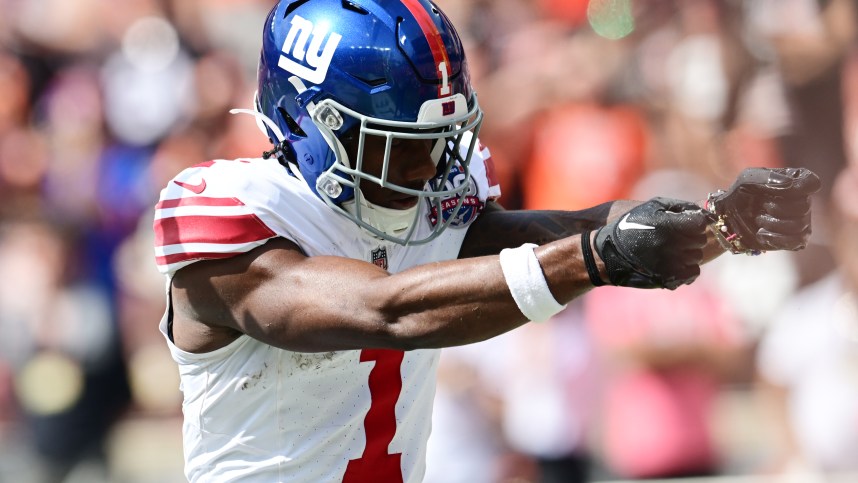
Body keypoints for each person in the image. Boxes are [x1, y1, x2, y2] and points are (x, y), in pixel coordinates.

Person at [151, 1, 820, 481]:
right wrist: (595, 259)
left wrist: (717, 221)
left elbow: (557, 230)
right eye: (403, 149)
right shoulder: (237, 215)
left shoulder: (431, 198)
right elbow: (385, 310)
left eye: (441, 143)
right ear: (312, 125)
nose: (431, 170)